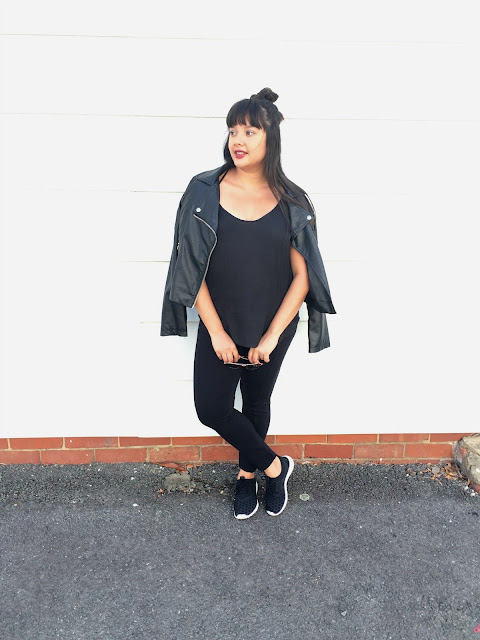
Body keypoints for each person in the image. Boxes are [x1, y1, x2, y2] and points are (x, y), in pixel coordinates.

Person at [161, 87, 336, 520]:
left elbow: (303, 277)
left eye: (249, 131)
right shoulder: (204, 190)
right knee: (212, 408)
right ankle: (275, 468)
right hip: (221, 323)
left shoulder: (293, 200)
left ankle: (246, 476)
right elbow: (191, 267)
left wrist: (273, 335)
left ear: (270, 138)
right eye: (233, 130)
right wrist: (216, 332)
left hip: (272, 324)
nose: (237, 140)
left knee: (257, 402)